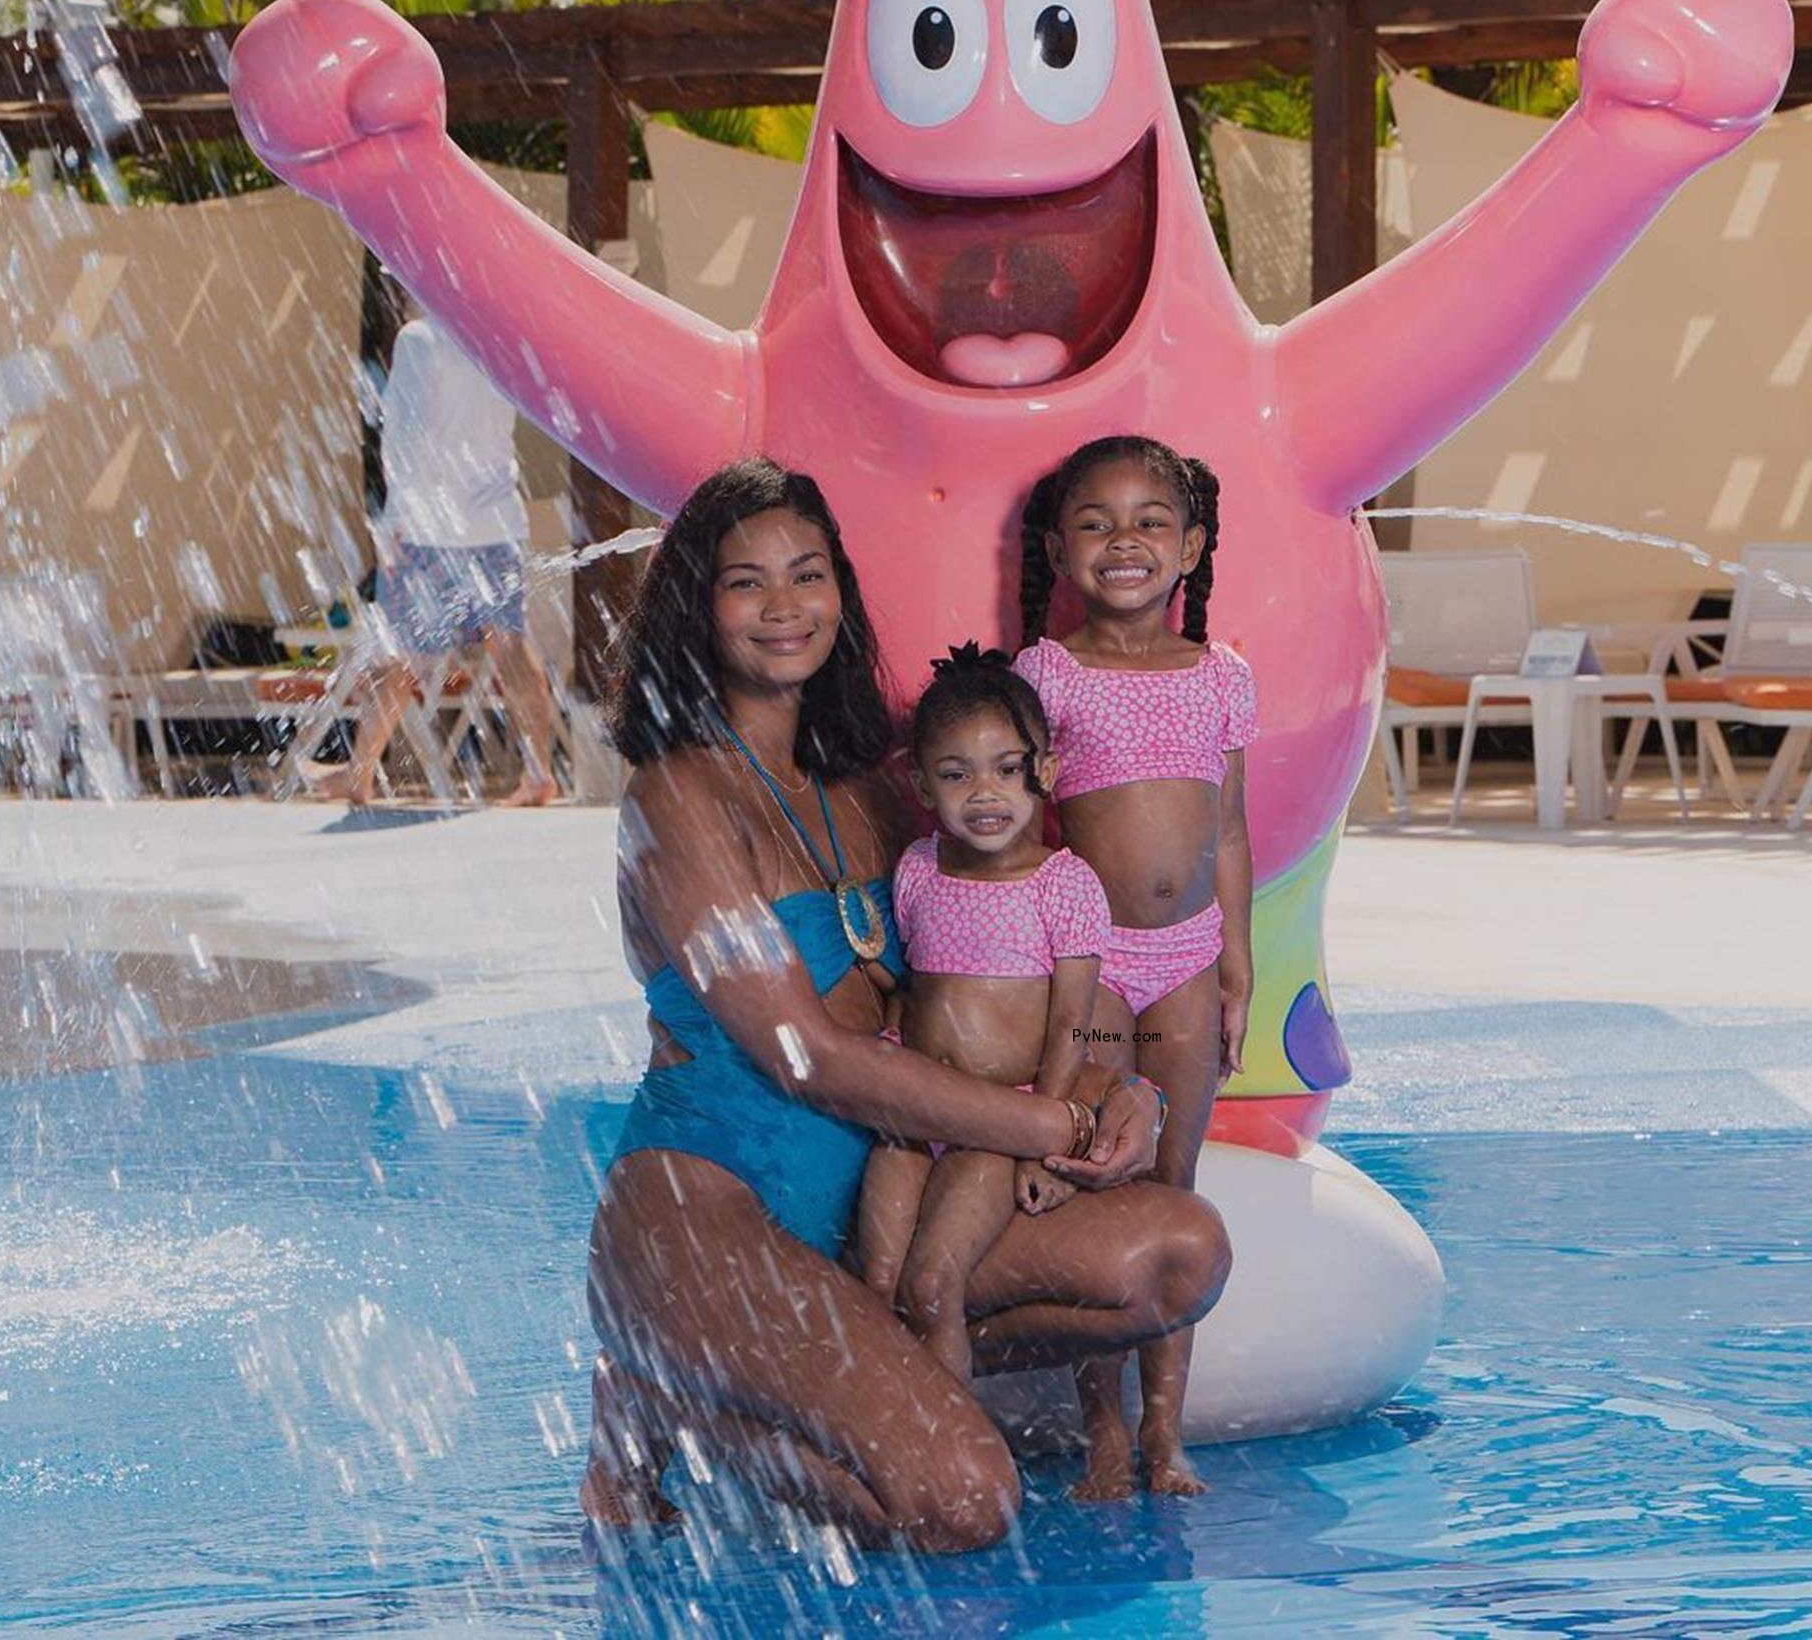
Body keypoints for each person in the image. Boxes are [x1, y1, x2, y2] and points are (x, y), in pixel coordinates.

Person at [580, 458, 1230, 1552]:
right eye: (747, 584)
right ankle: (670, 1398)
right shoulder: (677, 796)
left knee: (1180, 1251)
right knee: (962, 1502)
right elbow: (808, 1059)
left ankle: (837, 1357)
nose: (785, 608)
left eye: (808, 574)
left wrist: (1124, 1094)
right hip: (712, 1211)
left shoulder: (879, 791)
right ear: (699, 606)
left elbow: (1004, 967)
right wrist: (1051, 1127)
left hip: (874, 1211)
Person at [1015, 434, 1255, 1501]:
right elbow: (1006, 818)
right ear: (1061, 553)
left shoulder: (1223, 673)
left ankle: (1167, 1438)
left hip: (1190, 958)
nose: (1127, 541)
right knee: (1096, 1183)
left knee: (1174, 1185)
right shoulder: (1048, 672)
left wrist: (1237, 960)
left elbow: (1234, 831)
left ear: (1193, 546)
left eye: (1152, 520)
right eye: (1097, 522)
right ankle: (1102, 1430)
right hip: (1100, 961)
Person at [857, 643, 1112, 1392]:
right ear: (921, 783)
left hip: (1001, 1123)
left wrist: (1043, 1143)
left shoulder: (1063, 887)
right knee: (876, 1280)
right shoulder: (918, 868)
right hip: (914, 1113)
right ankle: (898, 1443)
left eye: (1007, 768)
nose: (985, 792)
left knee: (932, 1286)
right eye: (955, 774)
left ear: (1048, 772)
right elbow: (913, 986)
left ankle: (960, 1461)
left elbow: (1072, 1025)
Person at [299, 304, 560, 807]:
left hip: (431, 524)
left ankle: (360, 773)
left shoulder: (418, 339)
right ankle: (539, 771)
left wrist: (394, 523)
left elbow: (405, 440)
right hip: (495, 521)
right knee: (510, 645)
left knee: (396, 654)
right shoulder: (498, 336)